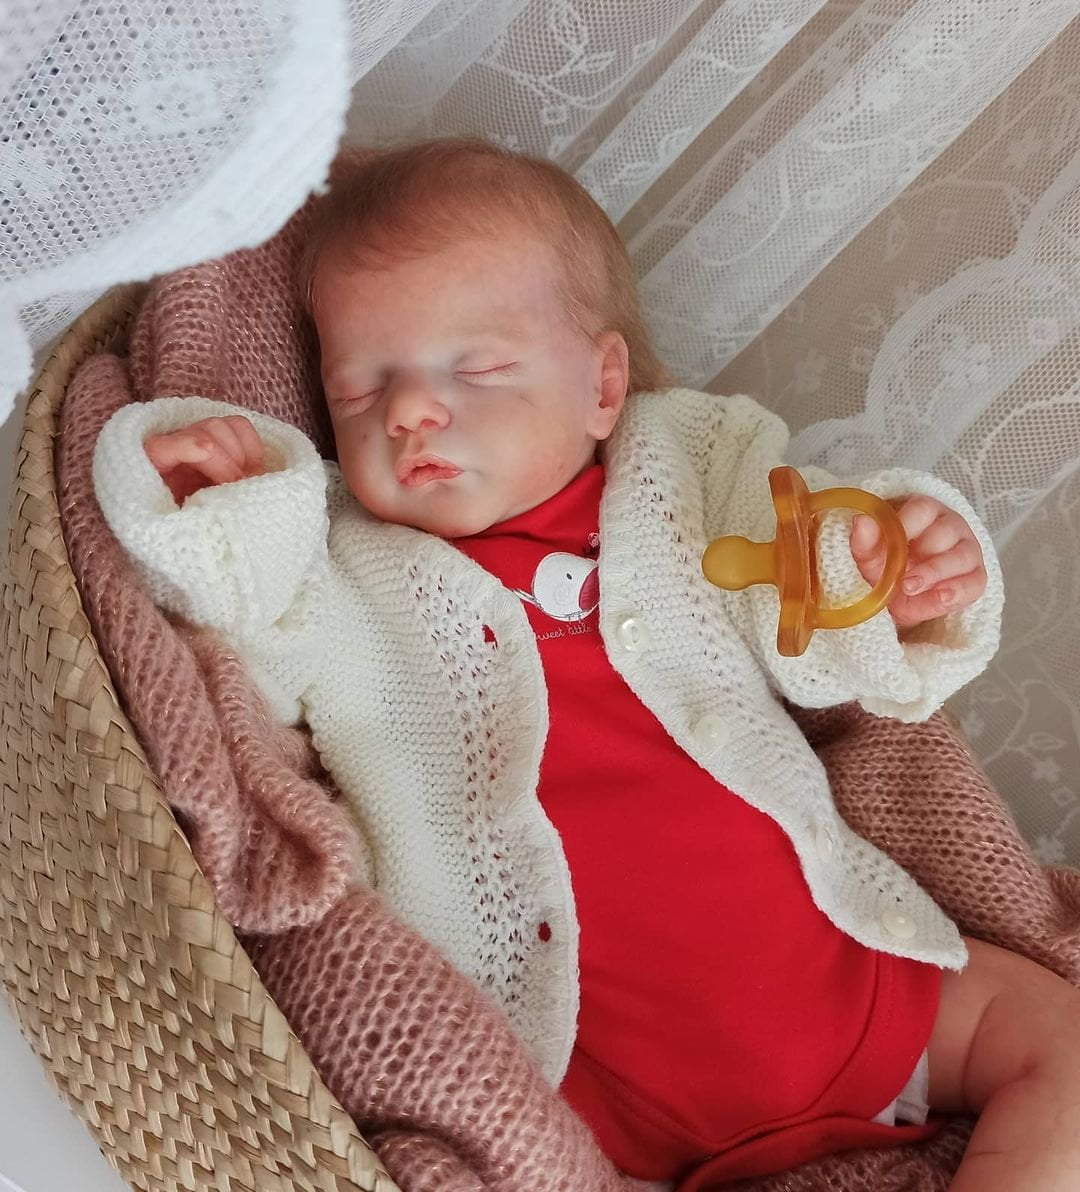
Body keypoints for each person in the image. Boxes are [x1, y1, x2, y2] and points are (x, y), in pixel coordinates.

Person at [93, 139, 1080, 1191]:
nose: (409, 412)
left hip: (854, 987)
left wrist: (884, 564)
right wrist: (224, 506)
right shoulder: (345, 567)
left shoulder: (686, 474)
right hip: (597, 1094)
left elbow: (796, 589)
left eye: (475, 368)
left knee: (1058, 1037)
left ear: (603, 386)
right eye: (360, 387)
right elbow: (243, 628)